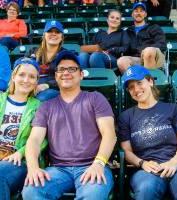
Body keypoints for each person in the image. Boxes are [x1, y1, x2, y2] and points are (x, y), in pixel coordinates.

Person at [22, 50, 116, 200]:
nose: (66, 72)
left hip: (93, 165)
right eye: (61, 69)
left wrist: (99, 163)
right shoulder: (46, 106)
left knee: (92, 195)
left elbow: (109, 135)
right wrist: (33, 168)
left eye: (72, 69)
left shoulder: (95, 99)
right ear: (56, 76)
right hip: (58, 170)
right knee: (31, 191)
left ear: (81, 75)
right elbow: (34, 140)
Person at [118, 65, 177, 200]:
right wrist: (142, 163)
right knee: (146, 190)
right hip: (146, 170)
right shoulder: (126, 117)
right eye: (131, 87)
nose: (136, 89)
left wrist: (174, 162)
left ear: (150, 81)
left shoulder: (171, 109)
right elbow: (126, 151)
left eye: (139, 83)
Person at [0, 57, 47, 200]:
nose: (26, 80)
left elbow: (42, 139)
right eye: (22, 75)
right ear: (13, 76)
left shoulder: (39, 107)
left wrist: (21, 153)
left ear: (36, 82)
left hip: (18, 161)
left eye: (32, 76)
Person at [117, 2, 166, 73]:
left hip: (153, 57)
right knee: (121, 61)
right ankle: (134, 81)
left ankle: (148, 81)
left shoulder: (154, 28)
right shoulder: (128, 31)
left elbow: (161, 43)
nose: (138, 13)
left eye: (141, 11)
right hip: (137, 59)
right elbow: (123, 48)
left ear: (145, 14)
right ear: (132, 14)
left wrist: (145, 50)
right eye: (136, 11)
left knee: (148, 51)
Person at [27, 20, 66, 101]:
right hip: (31, 84)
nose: (53, 34)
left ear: (61, 37)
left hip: (54, 88)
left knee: (41, 98)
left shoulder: (66, 55)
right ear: (44, 35)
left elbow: (66, 77)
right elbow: (21, 68)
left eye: (57, 32)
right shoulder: (32, 51)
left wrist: (46, 85)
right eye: (50, 31)